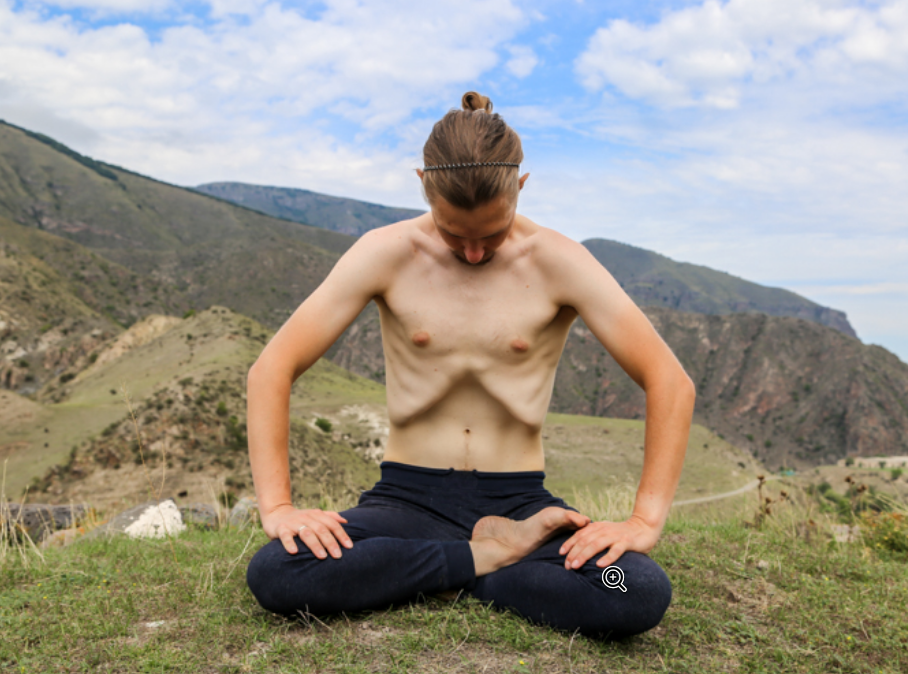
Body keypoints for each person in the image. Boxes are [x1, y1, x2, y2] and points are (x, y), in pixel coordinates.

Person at [245, 92, 695, 639]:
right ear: (424, 186)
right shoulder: (384, 252)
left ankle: (439, 571)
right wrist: (279, 508)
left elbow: (669, 381)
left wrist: (643, 521)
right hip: (404, 500)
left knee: (632, 589)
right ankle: (483, 562)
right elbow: (272, 369)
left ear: (520, 188)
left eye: (493, 233)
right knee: (280, 570)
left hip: (521, 506)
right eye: (454, 233)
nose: (475, 253)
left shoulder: (561, 261)